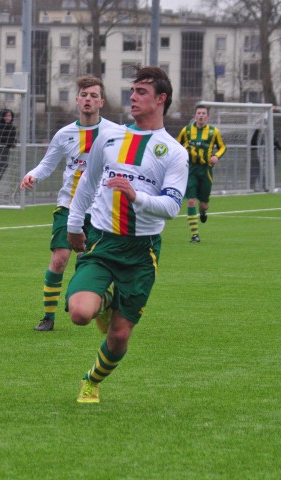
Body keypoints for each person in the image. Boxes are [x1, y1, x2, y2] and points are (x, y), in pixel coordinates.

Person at [65, 66, 188, 404]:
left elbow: (172, 206)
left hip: (141, 253)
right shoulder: (109, 136)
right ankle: (104, 301)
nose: (133, 97)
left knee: (119, 336)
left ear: (161, 99)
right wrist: (74, 226)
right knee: (79, 313)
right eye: (132, 91)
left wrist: (137, 198)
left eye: (142, 92)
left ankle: (92, 380)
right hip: (104, 241)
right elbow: (87, 184)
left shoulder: (174, 152)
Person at [20, 76, 117, 332]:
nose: (88, 99)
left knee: (89, 261)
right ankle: (48, 317)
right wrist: (32, 175)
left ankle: (81, 302)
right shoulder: (64, 134)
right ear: (77, 100)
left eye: (93, 95)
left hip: (98, 210)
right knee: (60, 258)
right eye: (84, 94)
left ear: (101, 102)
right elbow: (47, 164)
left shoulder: (113, 133)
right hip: (68, 205)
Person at [175, 105, 226, 243]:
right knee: (191, 201)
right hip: (190, 170)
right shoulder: (186, 130)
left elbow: (222, 147)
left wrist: (216, 156)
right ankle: (195, 235)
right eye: (199, 113)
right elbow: (176, 145)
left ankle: (203, 210)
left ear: (207, 117)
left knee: (203, 203)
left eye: (204, 113)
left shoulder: (213, 131)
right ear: (195, 116)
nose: (201, 115)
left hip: (206, 171)